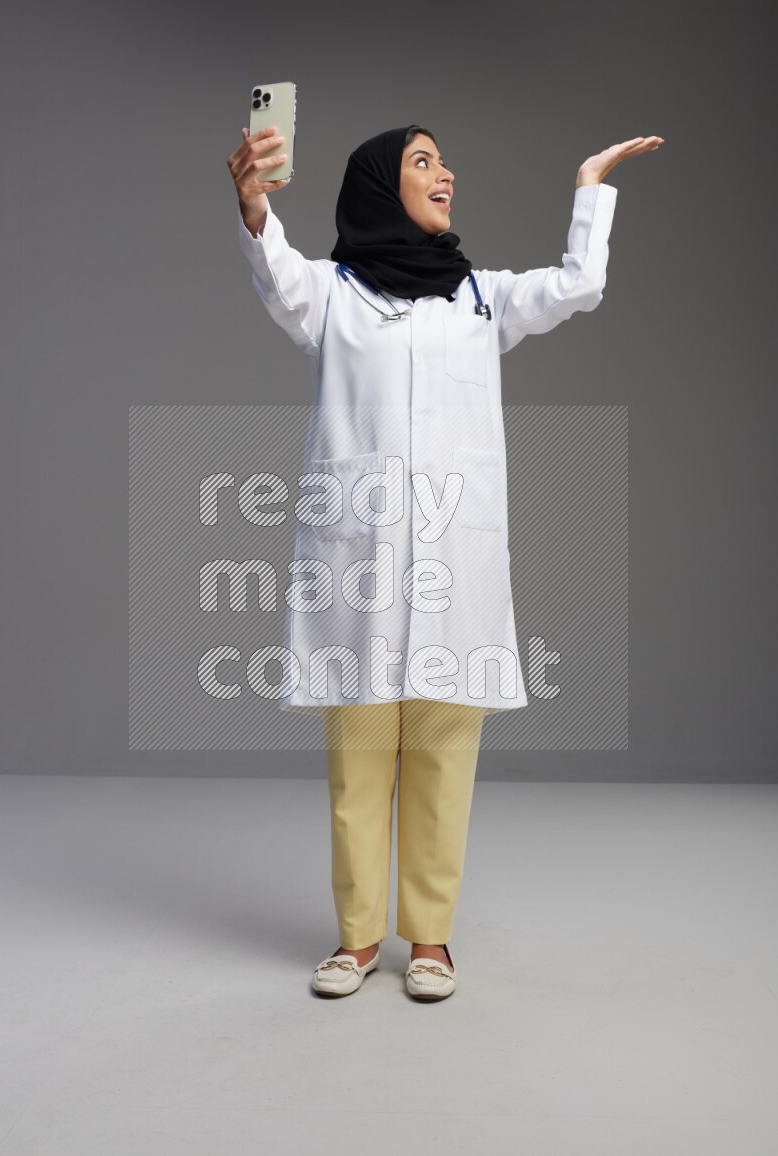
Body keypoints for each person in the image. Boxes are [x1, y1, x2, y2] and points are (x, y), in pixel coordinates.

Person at [226, 121, 662, 1000]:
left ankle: (429, 941)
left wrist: (590, 186)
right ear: (383, 186)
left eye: (444, 160)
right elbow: (275, 271)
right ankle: (355, 941)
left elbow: (580, 285)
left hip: (453, 570)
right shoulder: (333, 295)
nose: (446, 174)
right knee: (357, 765)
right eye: (424, 162)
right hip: (360, 567)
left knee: (441, 757)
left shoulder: (482, 297)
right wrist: (252, 202)